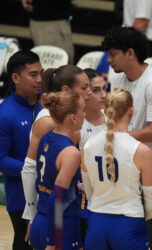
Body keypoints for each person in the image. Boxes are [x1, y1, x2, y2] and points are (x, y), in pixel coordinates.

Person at [102, 27, 152, 250]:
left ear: (130, 53)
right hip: (127, 170)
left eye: (113, 53)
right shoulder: (116, 79)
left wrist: (117, 137)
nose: (109, 59)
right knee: (129, 234)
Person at [81, 89, 152, 250]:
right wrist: (144, 215)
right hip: (129, 223)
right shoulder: (141, 150)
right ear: (131, 110)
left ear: (105, 110)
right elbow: (151, 199)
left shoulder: (87, 146)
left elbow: (89, 192)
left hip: (96, 221)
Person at [21, 65, 91, 242]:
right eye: (84, 87)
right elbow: (31, 170)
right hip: (57, 221)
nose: (89, 92)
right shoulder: (49, 124)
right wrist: (32, 214)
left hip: (49, 216)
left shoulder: (53, 135)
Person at [29, 91, 85, 250]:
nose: (85, 115)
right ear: (73, 117)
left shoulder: (45, 138)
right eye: (84, 110)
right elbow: (57, 198)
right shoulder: (71, 152)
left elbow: (45, 179)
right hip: (61, 228)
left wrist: (76, 187)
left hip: (40, 220)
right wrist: (52, 242)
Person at [0, 50, 42, 250]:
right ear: (15, 78)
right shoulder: (5, 113)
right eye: (33, 74)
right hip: (20, 199)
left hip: (49, 193)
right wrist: (37, 170)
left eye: (41, 73)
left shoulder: (49, 104)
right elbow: (1, 160)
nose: (40, 79)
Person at [78, 68, 106, 243]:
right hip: (83, 204)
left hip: (111, 203)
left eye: (104, 88)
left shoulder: (116, 120)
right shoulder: (75, 126)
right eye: (96, 90)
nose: (103, 95)